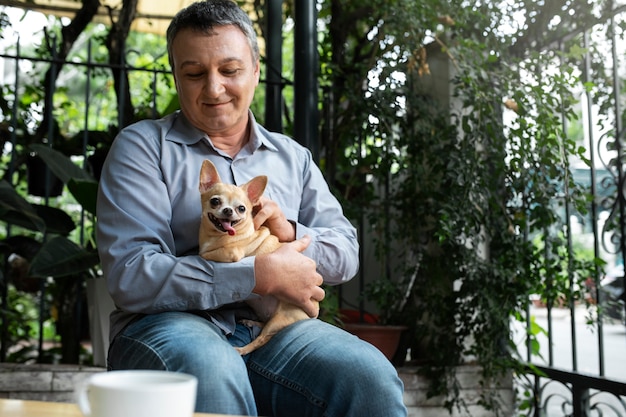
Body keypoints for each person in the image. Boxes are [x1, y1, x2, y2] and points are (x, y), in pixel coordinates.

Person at [96, 1, 407, 416]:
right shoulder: (142, 148)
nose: (213, 88)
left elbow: (346, 253)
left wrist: (289, 234)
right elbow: (132, 275)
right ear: (176, 76)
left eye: (229, 70)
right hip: (168, 326)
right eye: (193, 73)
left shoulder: (292, 157)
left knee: (368, 375)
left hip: (277, 330)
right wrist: (256, 276)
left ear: (256, 71)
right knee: (210, 366)